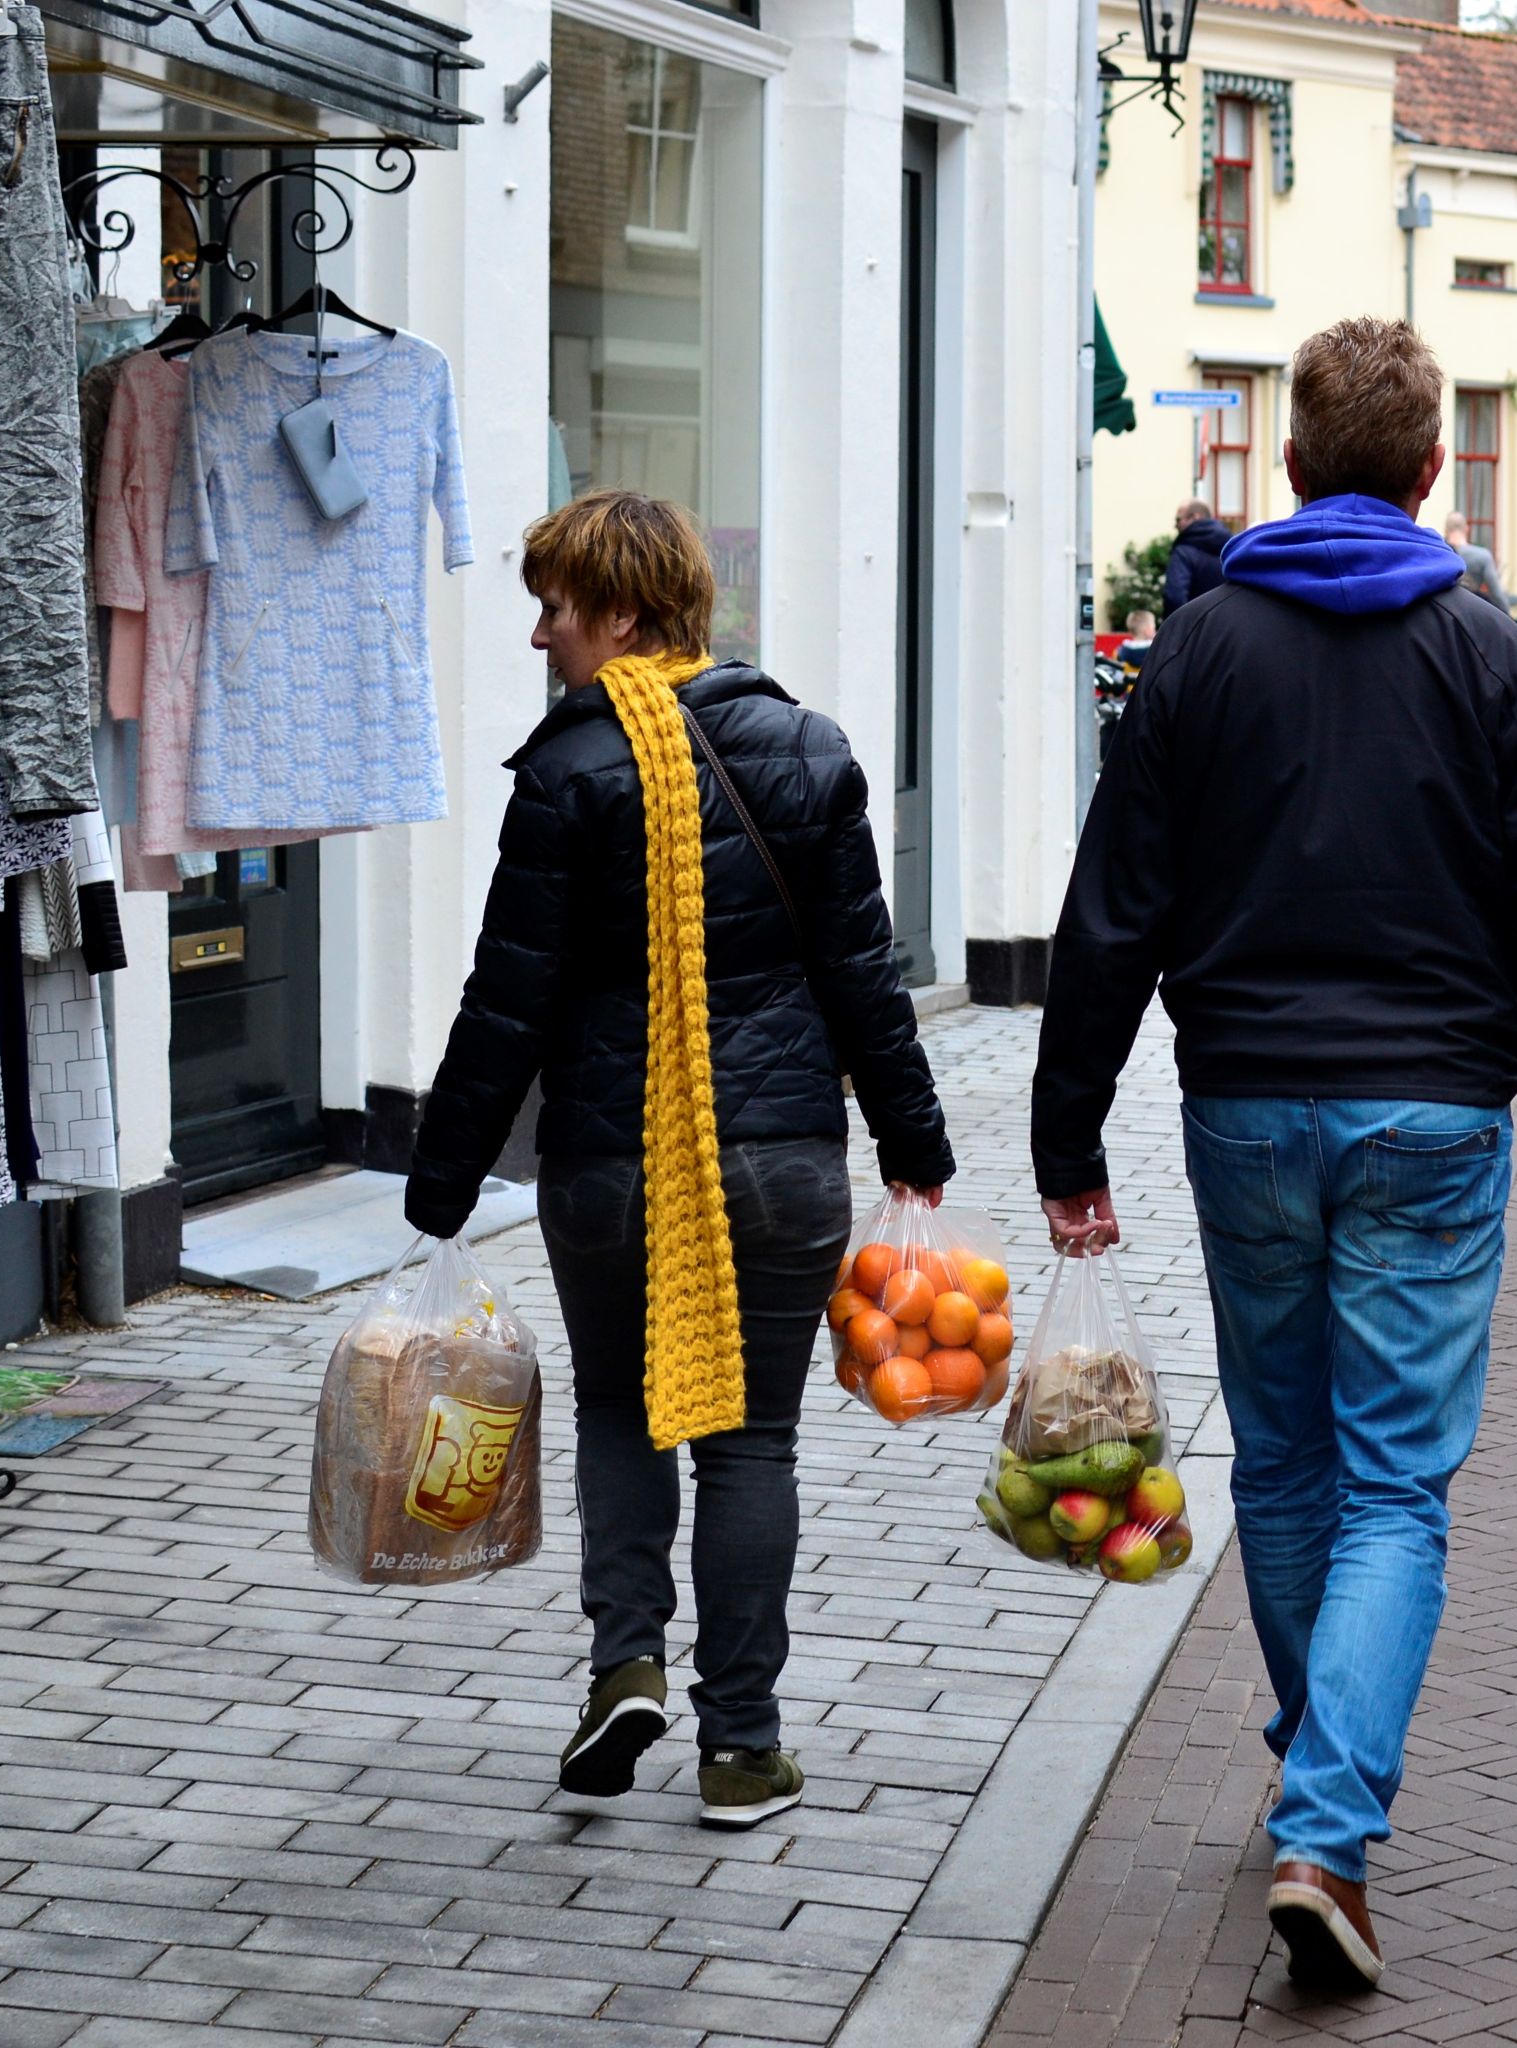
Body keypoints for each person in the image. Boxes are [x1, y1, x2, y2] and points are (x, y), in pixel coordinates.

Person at [1030, 317, 1517, 1994]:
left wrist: (1064, 1127)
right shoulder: (1487, 656)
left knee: (1289, 1466)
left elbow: (1111, 909)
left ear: (1291, 464)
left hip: (1243, 1109)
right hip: (1436, 1118)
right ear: (1432, 465)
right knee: (1392, 1483)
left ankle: (1317, 1775)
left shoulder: (1198, 649)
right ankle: (1326, 1826)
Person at [405, 489, 953, 1829]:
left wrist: (441, 1177)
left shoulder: (566, 773)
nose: (541, 635)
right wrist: (913, 1139)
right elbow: (862, 979)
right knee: (749, 1443)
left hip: (607, 1166)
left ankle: (624, 1667)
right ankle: (742, 1748)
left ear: (625, 613)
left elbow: (506, 999)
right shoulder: (809, 751)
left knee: (617, 1412)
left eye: (557, 608)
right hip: (778, 1164)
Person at [1162, 498, 1232, 613]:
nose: (1176, 525)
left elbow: (1175, 598)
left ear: (1195, 517)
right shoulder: (1230, 549)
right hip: (1227, 625)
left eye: (1178, 519)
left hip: (1195, 626)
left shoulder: (1183, 552)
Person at [1442, 510, 1514, 612]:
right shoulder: (1482, 556)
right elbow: (1497, 594)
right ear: (1466, 529)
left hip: (1445, 611)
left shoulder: (1440, 552)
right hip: (1470, 611)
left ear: (1446, 530)